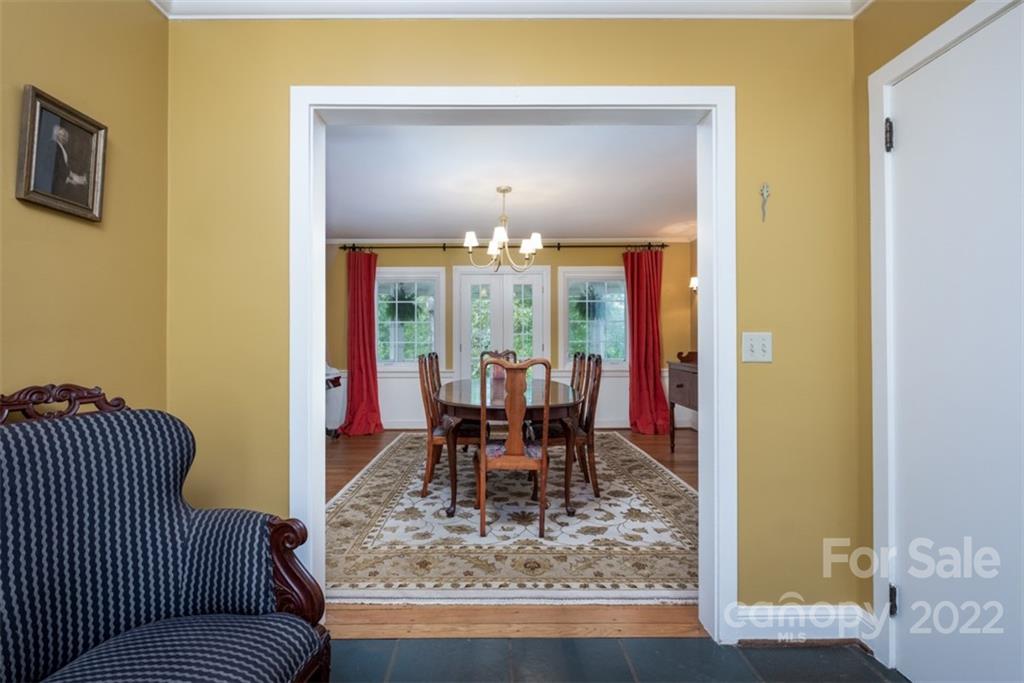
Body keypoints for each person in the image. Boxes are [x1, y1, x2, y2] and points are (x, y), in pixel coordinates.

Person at [51, 123, 90, 205]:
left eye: (66, 135)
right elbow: (60, 168)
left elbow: (64, 167)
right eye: (63, 134)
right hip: (58, 185)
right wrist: (73, 179)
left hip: (62, 184)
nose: (65, 137)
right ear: (57, 135)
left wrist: (74, 178)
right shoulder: (54, 146)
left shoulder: (61, 147)